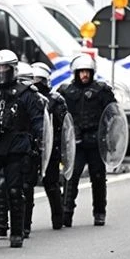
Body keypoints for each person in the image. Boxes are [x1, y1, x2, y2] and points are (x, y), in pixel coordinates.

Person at [0, 50, 45, 249]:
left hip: (16, 148)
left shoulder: (26, 93)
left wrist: (39, 142)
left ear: (13, 69)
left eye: (5, 68)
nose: (1, 71)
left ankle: (16, 232)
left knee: (14, 191)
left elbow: (38, 121)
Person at [58, 55, 116, 227]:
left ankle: (99, 212)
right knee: (71, 176)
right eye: (81, 72)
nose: (84, 75)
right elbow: (60, 116)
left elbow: (113, 114)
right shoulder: (66, 92)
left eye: (87, 72)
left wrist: (108, 138)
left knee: (98, 178)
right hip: (76, 143)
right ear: (76, 73)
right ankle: (66, 213)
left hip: (96, 143)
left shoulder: (102, 91)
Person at [31, 62, 69, 230]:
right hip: (31, 148)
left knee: (51, 184)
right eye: (33, 80)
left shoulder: (55, 100)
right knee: (26, 185)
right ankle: (25, 223)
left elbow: (63, 128)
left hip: (50, 147)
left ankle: (58, 217)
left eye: (39, 80)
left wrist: (61, 150)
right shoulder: (27, 97)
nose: (36, 83)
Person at [16, 64, 51, 239]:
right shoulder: (10, 96)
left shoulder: (36, 99)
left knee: (26, 188)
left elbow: (41, 125)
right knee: (5, 189)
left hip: (30, 149)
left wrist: (40, 146)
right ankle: (2, 226)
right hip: (13, 147)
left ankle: (25, 225)